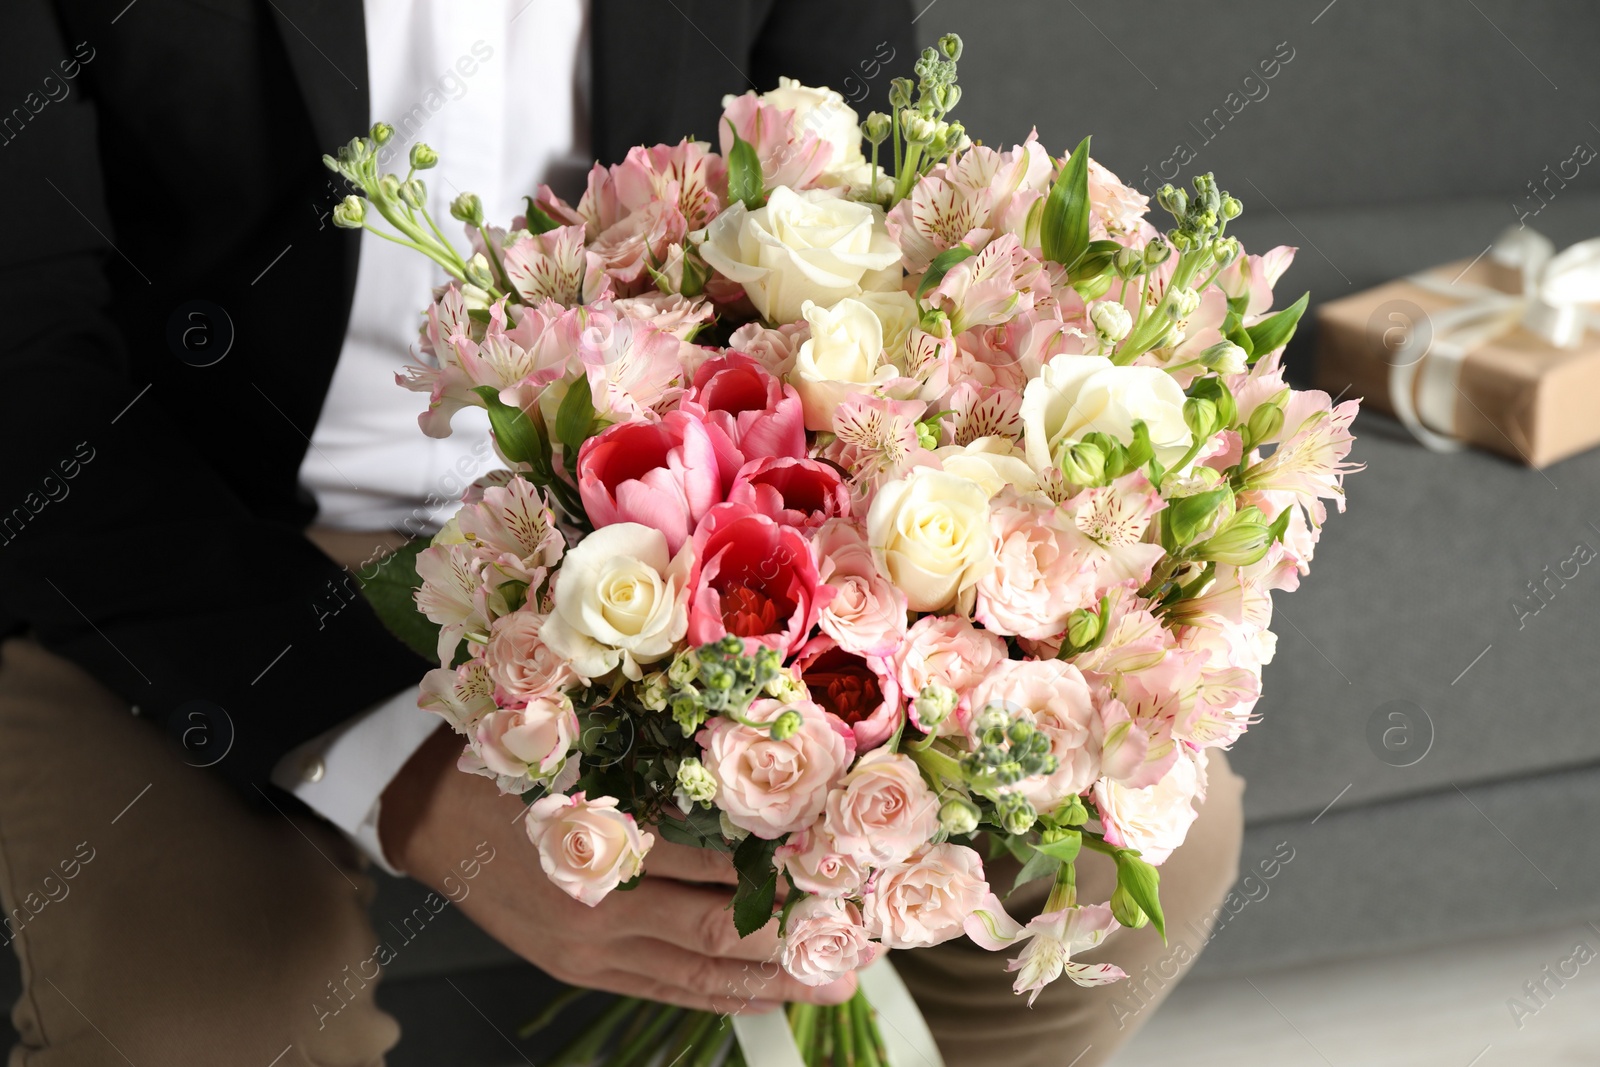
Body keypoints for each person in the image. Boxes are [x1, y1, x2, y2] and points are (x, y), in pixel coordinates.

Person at [0, 1, 1243, 1064]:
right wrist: (412, 774)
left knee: (1137, 858)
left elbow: (868, 234)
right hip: (157, 540)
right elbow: (29, 385)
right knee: (215, 1015)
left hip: (637, 527)